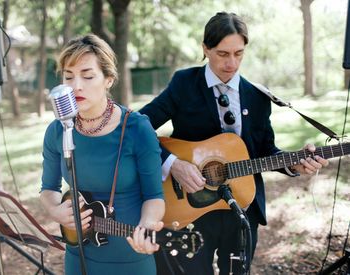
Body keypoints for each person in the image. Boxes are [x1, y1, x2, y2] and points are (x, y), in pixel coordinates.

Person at [139, 12, 329, 275]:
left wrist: (295, 165)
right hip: (191, 207)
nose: (231, 63)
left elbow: (266, 151)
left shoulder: (257, 97)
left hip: (242, 210)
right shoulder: (184, 83)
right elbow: (138, 126)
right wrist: (173, 164)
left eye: (238, 53)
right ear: (205, 49)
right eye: (222, 54)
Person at [39, 34, 165, 275]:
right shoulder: (57, 130)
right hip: (78, 257)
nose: (76, 86)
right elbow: (48, 190)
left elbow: (154, 196)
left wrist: (146, 227)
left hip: (130, 259)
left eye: (87, 76)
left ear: (109, 79)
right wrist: (56, 210)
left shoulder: (137, 128)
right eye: (68, 76)